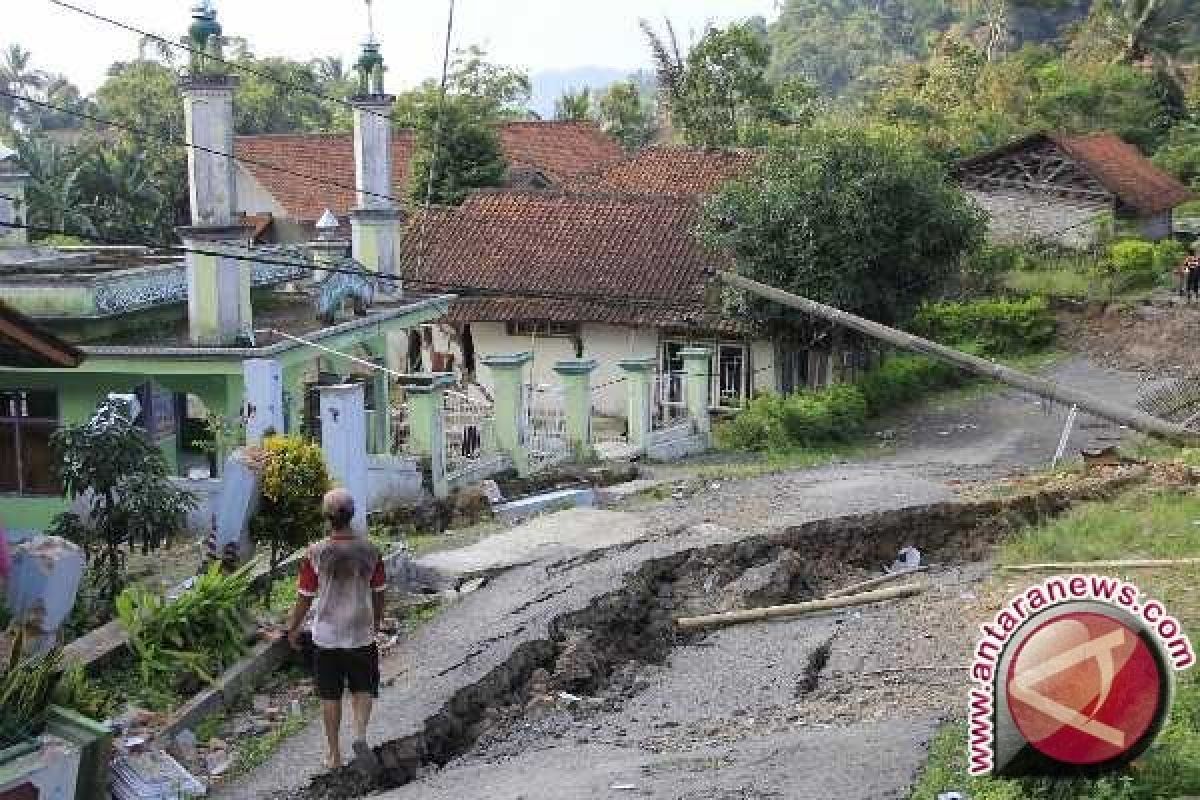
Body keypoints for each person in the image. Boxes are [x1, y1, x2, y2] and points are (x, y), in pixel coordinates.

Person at [285, 488, 386, 771]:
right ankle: (360, 736)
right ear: (352, 515)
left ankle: (333, 755)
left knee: (330, 697)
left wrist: (292, 629)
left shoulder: (316, 553)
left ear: (327, 517)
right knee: (363, 688)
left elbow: (304, 597)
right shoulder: (371, 551)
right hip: (360, 632)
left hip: (326, 637)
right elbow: (379, 593)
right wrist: (376, 622)